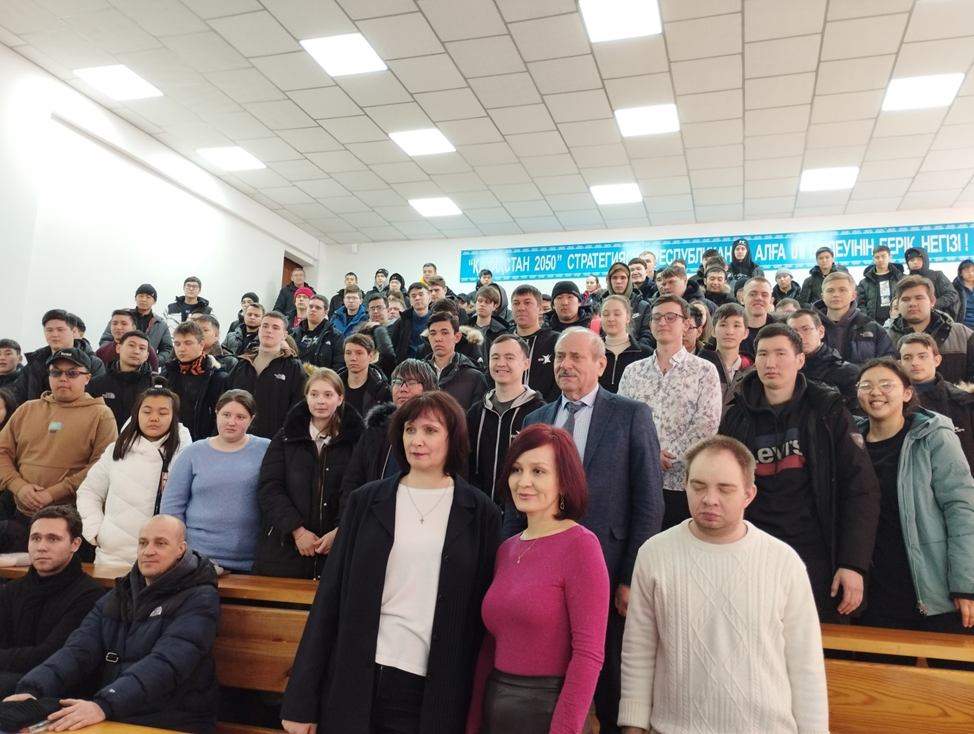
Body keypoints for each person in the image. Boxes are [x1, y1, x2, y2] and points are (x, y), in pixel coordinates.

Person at [280, 392, 502, 734]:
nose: (417, 440)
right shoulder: (366, 500)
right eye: (410, 429)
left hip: (433, 689)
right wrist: (300, 700)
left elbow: (479, 620)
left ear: (453, 438)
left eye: (430, 430)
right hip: (358, 677)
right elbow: (330, 598)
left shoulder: (480, 512)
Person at [508, 328, 665, 734]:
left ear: (600, 363)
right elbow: (516, 499)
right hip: (542, 574)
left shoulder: (631, 415)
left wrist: (631, 576)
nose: (565, 364)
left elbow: (649, 501)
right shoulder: (536, 419)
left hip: (608, 573)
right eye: (560, 357)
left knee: (608, 686)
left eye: (576, 357)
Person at [618, 436, 829, 734]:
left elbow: (805, 663)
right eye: (698, 486)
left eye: (725, 489)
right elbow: (639, 650)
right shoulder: (654, 554)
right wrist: (633, 725)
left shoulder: (784, 562)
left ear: (748, 494)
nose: (709, 499)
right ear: (685, 485)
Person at [719, 323, 881, 622]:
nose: (770, 363)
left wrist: (853, 564)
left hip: (817, 554)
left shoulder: (828, 411)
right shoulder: (737, 415)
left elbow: (861, 489)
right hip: (754, 554)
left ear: (800, 360)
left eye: (780, 353)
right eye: (763, 354)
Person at [5, 515, 220, 734]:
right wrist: (33, 689)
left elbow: (166, 663)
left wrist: (104, 705)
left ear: (181, 549)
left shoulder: (199, 598)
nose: (148, 551)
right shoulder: (120, 594)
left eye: (160, 543)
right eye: (143, 543)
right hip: (118, 713)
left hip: (175, 720)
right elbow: (78, 650)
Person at [467, 425, 609, 733]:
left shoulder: (581, 546)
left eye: (538, 471)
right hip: (496, 713)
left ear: (564, 482)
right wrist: (473, 725)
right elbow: (489, 647)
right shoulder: (507, 549)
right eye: (516, 469)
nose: (524, 481)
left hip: (547, 716)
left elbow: (588, 655)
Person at [855, 359, 974, 667]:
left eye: (887, 384)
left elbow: (962, 509)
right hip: (878, 594)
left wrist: (965, 584)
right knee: (879, 688)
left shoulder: (934, 435)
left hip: (938, 590)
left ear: (907, 393)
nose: (876, 392)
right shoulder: (851, 443)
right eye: (866, 385)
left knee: (952, 687)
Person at [618, 296, 722, 530]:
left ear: (686, 324)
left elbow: (706, 424)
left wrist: (666, 457)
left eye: (671, 317)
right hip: (638, 480)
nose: (663, 322)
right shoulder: (633, 372)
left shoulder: (704, 371)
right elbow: (622, 423)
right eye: (656, 317)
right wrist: (648, 457)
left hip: (683, 482)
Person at [0, 348, 117, 552]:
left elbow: (101, 466)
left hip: (71, 519)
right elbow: (2, 452)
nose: (63, 378)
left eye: (72, 373)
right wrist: (18, 486)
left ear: (87, 378)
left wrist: (54, 493)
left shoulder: (101, 415)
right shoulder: (27, 409)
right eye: (56, 372)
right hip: (22, 514)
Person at [253, 369, 364, 579]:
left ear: (340, 398)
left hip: (337, 550)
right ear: (306, 397)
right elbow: (269, 487)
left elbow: (359, 489)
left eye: (328, 395)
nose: (320, 401)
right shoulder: (284, 438)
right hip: (285, 550)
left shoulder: (357, 441)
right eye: (314, 394)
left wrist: (340, 531)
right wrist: (297, 531)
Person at [76, 387, 190, 566]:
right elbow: (89, 491)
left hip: (164, 558)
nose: (154, 418)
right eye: (147, 411)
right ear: (137, 414)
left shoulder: (186, 454)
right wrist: (96, 530)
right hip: (112, 555)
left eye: (162, 413)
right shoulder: (116, 449)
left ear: (173, 417)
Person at [0, 506, 105, 699]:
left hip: (58, 687)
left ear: (75, 544)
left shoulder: (89, 595)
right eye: (35, 538)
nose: (41, 547)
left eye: (53, 539)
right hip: (11, 674)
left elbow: (52, 654)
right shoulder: (13, 589)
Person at [160, 390, 270, 574]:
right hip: (198, 560)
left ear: (251, 419)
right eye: (226, 415)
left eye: (240, 417)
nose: (232, 422)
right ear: (216, 413)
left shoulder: (266, 449)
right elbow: (171, 506)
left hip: (253, 561)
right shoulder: (193, 453)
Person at [340, 360, 437, 496]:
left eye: (411, 382)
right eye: (397, 382)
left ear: (429, 388)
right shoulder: (375, 431)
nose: (403, 388)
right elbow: (352, 482)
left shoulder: (441, 433)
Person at [467, 336, 546, 500]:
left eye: (509, 358)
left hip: (521, 507)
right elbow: (466, 462)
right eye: (495, 357)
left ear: (526, 364)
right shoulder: (476, 412)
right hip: (479, 506)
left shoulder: (540, 412)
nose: (501, 363)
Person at [898, 333, 974, 471]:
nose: (914, 363)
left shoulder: (963, 402)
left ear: (937, 360)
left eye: (922, 356)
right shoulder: (893, 403)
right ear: (899, 363)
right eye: (907, 358)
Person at [226, 311, 305, 439]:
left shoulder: (293, 367)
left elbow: (298, 406)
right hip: (237, 437)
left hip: (274, 439)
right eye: (265, 326)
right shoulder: (243, 364)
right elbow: (225, 400)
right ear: (259, 330)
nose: (269, 331)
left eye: (275, 327)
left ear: (284, 335)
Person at [887, 275, 974, 384]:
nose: (912, 304)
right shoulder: (886, 339)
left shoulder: (962, 335)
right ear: (898, 304)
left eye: (919, 298)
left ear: (932, 301)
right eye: (905, 299)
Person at [18, 310, 106, 403]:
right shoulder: (34, 362)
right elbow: (19, 397)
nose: (54, 335)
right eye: (49, 330)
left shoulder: (93, 363)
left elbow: (98, 397)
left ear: (74, 331)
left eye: (60, 330)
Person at [161, 321, 228, 442]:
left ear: (201, 345)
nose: (181, 349)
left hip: (204, 442)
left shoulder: (218, 378)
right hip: (170, 441)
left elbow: (223, 416)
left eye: (188, 343)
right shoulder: (167, 375)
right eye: (177, 344)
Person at [815, 271, 895, 365]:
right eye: (830, 290)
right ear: (823, 296)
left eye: (842, 290)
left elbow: (888, 364)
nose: (836, 294)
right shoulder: (810, 328)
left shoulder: (874, 329)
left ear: (853, 295)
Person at [86, 329, 157, 431]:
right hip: (106, 439)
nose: (136, 351)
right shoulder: (96, 384)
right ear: (118, 348)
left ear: (146, 356)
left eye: (142, 348)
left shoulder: (155, 386)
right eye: (131, 345)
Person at [787, 309, 859, 402]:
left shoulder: (847, 372)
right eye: (793, 331)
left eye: (806, 329)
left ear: (821, 332)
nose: (800, 336)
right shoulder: (784, 369)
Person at [698, 304, 753, 415]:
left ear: (745, 333)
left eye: (736, 326)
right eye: (723, 325)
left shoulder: (752, 371)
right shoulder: (698, 366)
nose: (729, 332)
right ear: (713, 331)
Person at [98, 285, 173, 365]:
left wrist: (153, 359)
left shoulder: (160, 324)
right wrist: (118, 354)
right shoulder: (122, 317)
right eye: (141, 296)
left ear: (154, 301)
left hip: (147, 368)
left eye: (148, 297)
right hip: (116, 365)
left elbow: (167, 349)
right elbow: (106, 339)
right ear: (135, 298)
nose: (144, 299)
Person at [426, 313, 487, 411]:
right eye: (433, 333)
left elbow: (476, 416)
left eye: (445, 333)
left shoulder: (474, 377)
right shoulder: (417, 373)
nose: (438, 339)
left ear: (457, 337)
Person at [508, 285, 559, 403]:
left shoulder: (555, 341)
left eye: (527, 303)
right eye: (516, 303)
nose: (521, 308)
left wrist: (545, 408)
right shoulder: (503, 343)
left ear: (540, 309)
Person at [599, 296, 651, 394]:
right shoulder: (591, 352)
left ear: (628, 317)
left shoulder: (645, 354)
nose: (611, 319)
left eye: (617, 314)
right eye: (605, 314)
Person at [339, 333, 391, 418]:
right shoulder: (335, 386)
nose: (353, 358)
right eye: (348, 353)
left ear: (370, 356)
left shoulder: (381, 390)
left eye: (359, 353)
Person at [905, 245, 961, 320]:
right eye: (912, 260)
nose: (915, 262)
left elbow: (952, 294)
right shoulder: (905, 280)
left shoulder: (937, 275)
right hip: (912, 317)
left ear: (925, 261)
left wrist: (932, 304)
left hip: (937, 317)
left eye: (919, 259)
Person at [95, 310, 160, 372]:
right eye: (115, 324)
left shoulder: (146, 350)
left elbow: (154, 376)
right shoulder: (101, 352)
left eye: (124, 324)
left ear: (134, 328)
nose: (118, 327)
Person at [292, 294, 344, 369]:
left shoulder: (335, 336)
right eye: (310, 306)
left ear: (325, 312)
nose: (313, 309)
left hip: (321, 375)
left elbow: (339, 364)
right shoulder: (294, 334)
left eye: (318, 308)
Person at [857, 244, 904, 325]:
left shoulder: (901, 279)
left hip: (898, 323)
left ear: (890, 257)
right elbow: (861, 304)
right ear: (873, 259)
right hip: (873, 324)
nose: (880, 259)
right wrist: (866, 320)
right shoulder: (864, 282)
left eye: (883, 256)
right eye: (877, 257)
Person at [388, 282, 432, 364]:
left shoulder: (436, 321)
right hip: (405, 365)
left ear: (429, 298)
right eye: (413, 296)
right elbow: (393, 347)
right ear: (410, 301)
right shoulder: (401, 322)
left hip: (430, 366)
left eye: (421, 294)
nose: (417, 298)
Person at [739, 277, 778, 358]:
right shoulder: (730, 330)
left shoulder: (782, 333)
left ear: (771, 301)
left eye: (764, 295)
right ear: (742, 299)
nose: (759, 298)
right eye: (752, 294)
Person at [472, 286, 509, 356]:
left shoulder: (501, 332)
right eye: (480, 301)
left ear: (495, 306)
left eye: (487, 302)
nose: (482, 304)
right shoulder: (464, 329)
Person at [955, 259, 974, 329]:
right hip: (964, 323)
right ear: (960, 273)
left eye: (973, 270)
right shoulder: (955, 287)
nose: (971, 273)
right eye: (967, 271)